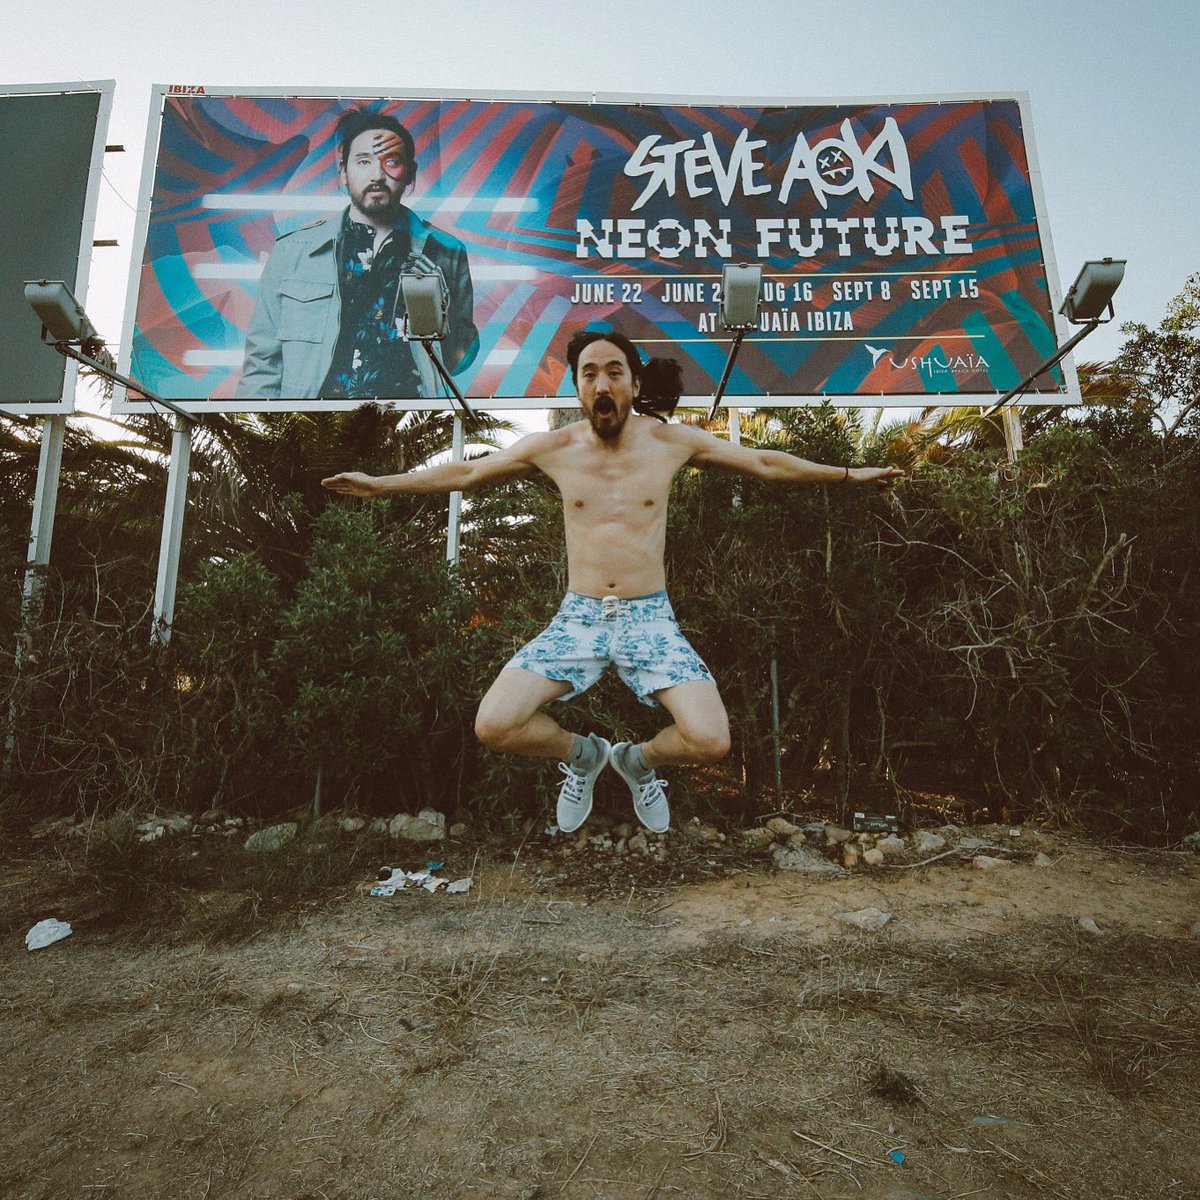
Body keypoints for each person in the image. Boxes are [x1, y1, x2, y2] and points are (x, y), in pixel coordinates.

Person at [321, 329, 903, 833]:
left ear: (632, 383)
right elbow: (469, 471)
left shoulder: (670, 442)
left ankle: (637, 763)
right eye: (589, 373)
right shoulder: (555, 448)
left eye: (614, 372)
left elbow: (765, 463)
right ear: (578, 387)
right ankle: (585, 757)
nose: (603, 384)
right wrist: (379, 484)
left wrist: (850, 474)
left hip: (650, 618)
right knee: (495, 725)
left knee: (710, 740)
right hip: (579, 618)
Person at [238, 107, 478, 401]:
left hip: (408, 427)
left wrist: (431, 306)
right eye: (364, 161)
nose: (376, 175)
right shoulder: (292, 252)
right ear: (343, 172)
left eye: (391, 161)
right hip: (312, 428)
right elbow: (263, 362)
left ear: (410, 173)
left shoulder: (445, 253)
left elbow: (457, 359)